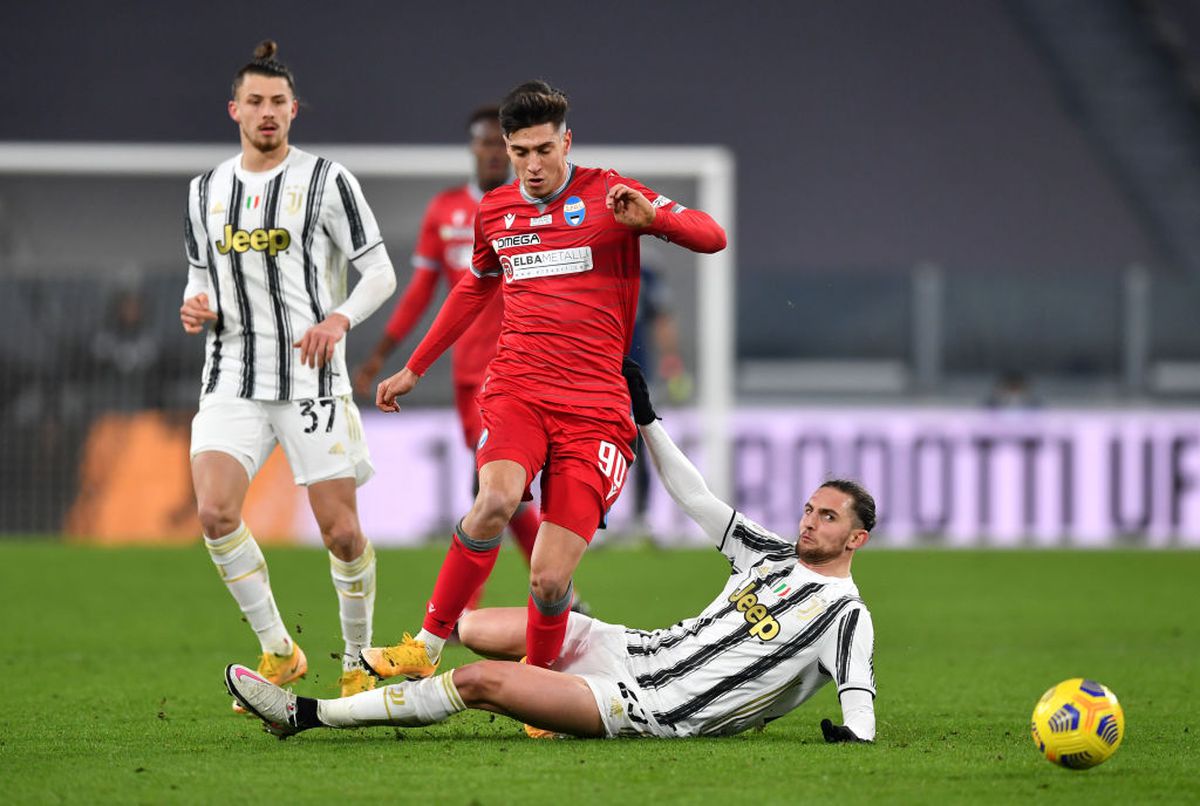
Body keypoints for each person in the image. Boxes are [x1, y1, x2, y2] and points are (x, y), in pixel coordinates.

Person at [225, 360, 877, 743]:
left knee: (478, 682)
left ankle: (306, 716)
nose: (809, 523)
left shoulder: (845, 614)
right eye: (809, 509)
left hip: (650, 706)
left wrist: (851, 736)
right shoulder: (770, 553)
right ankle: (468, 667)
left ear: (855, 539)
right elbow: (699, 501)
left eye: (827, 518)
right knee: (475, 626)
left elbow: (856, 691)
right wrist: (646, 420)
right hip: (634, 646)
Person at [361, 80, 727, 680]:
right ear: (507, 148)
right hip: (517, 391)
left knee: (551, 578)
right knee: (496, 500)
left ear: (567, 141)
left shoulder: (611, 193)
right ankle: (424, 648)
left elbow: (713, 236)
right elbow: (474, 286)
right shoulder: (496, 211)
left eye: (544, 149)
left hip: (595, 408)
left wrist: (655, 217)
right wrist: (413, 367)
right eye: (521, 151)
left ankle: (537, 682)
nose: (533, 164)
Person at [181, 40, 397, 707]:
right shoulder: (204, 191)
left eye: (277, 102)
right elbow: (200, 279)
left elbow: (380, 273)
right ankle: (279, 649)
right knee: (215, 512)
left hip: (309, 379)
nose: (266, 112)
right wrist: (195, 307)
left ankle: (358, 660)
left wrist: (337, 320)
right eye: (255, 102)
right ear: (234, 110)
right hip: (232, 376)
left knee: (341, 532)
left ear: (293, 110)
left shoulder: (329, 181)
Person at [351, 107, 545, 611]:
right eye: (481, 143)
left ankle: (473, 606)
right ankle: (553, 592)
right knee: (500, 488)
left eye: (496, 145)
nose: (489, 153)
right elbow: (421, 293)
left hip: (522, 368)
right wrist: (382, 354)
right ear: (473, 148)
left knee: (495, 486)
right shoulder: (446, 211)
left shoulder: (535, 210)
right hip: (468, 373)